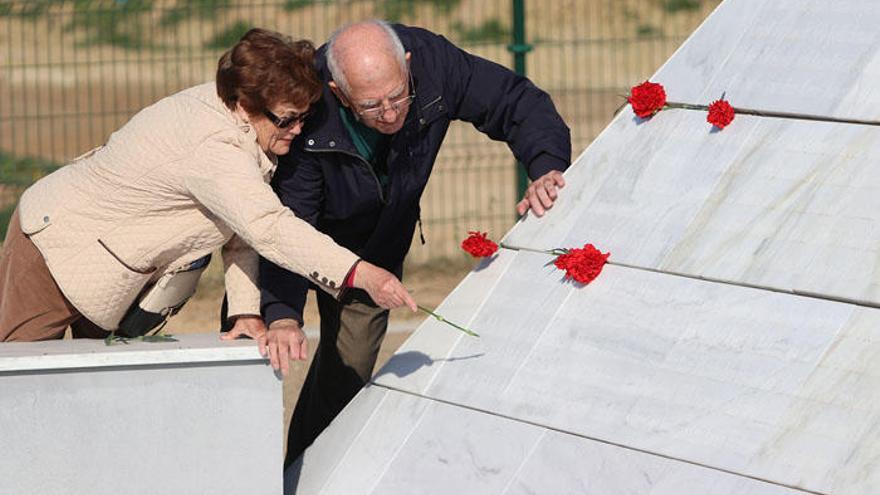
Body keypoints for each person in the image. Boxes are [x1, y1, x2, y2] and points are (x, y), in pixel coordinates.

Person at [0, 28, 416, 376]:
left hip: (113, 271)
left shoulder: (247, 130)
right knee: (21, 381)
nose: (297, 130)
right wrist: (362, 274)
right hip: (55, 249)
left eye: (304, 117)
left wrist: (246, 311)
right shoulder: (213, 145)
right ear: (244, 104)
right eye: (286, 119)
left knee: (96, 388)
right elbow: (267, 227)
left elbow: (238, 234)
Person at [260, 20, 571, 466]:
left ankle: (306, 476)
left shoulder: (435, 64)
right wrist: (282, 314)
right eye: (370, 105)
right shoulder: (309, 106)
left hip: (375, 247)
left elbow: (513, 100)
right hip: (293, 233)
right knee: (258, 361)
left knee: (346, 378)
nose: (389, 113)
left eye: (397, 96)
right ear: (339, 92)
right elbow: (285, 226)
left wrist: (545, 165)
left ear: (407, 65)